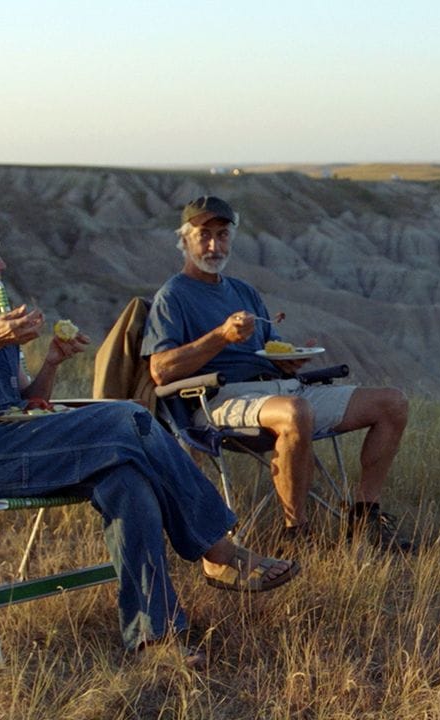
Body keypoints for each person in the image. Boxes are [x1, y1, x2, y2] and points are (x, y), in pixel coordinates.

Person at [0, 206, 298, 668]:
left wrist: (52, 363)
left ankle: (153, 640)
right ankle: (216, 548)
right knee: (129, 417)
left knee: (127, 479)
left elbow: (26, 400)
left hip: (21, 442)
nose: (2, 266)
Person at [142, 196, 413, 552]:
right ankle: (295, 534)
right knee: (295, 411)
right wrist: (220, 336)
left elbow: (270, 349)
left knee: (392, 403)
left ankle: (364, 518)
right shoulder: (173, 296)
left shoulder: (244, 292)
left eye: (222, 235)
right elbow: (160, 371)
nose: (213, 245)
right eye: (204, 235)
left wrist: (289, 359)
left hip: (280, 388)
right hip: (218, 399)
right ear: (185, 240)